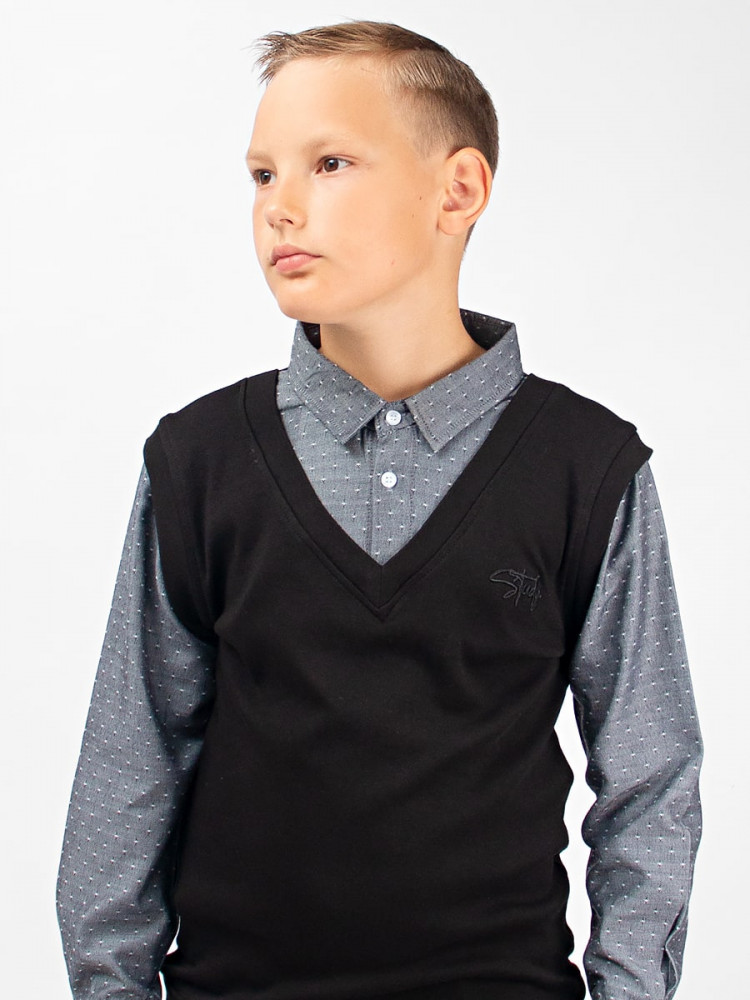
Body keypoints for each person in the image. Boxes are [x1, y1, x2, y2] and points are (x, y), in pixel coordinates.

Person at [56, 20, 702, 1000]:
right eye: (262, 175)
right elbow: (132, 758)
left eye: (329, 163)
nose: (280, 207)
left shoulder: (587, 468)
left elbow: (651, 772)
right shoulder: (199, 463)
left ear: (459, 190)